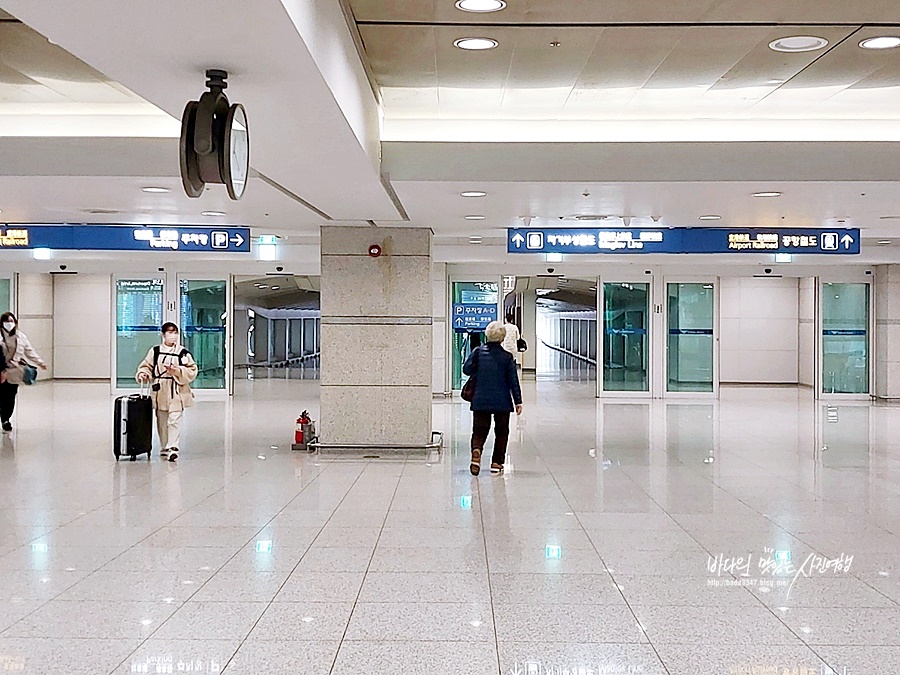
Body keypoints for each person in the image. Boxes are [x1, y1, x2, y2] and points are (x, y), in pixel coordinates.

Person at [463, 320, 523, 476]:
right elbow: (513, 381)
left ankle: (476, 454)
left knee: (478, 431)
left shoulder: (478, 352)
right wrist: (518, 401)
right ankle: (497, 463)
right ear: (502, 338)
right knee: (502, 432)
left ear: (487, 335)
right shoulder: (507, 357)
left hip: (480, 399)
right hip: (502, 401)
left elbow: (466, 369)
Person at [136, 322, 198, 462]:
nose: (172, 335)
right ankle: (165, 446)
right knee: (162, 421)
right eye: (169, 332)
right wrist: (143, 374)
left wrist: (177, 371)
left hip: (177, 389)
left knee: (175, 419)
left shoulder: (183, 352)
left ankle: (173, 447)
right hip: (160, 390)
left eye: (175, 332)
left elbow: (192, 370)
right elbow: (147, 366)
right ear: (163, 335)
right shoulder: (155, 351)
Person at [0, 312, 48, 432]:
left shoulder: (20, 336)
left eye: (11, 321)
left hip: (13, 371)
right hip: (1, 370)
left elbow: (29, 351)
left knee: (10, 397)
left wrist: (40, 362)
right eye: (7, 321)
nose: (9, 324)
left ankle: (5, 419)